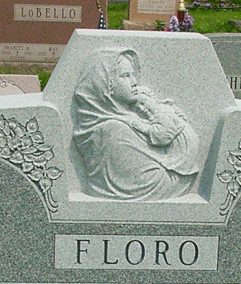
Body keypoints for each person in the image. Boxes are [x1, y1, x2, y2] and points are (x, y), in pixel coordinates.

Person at [73, 48, 200, 201]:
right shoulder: (112, 130)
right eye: (125, 76)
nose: (134, 83)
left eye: (133, 75)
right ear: (105, 84)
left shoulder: (128, 116)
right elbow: (148, 184)